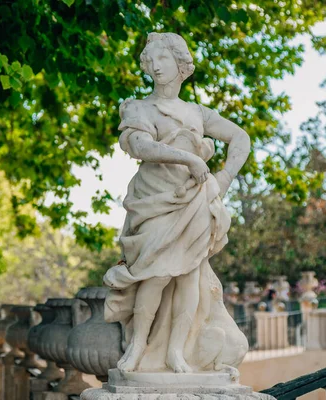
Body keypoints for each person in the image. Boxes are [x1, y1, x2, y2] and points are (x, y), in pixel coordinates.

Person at [103, 32, 251, 373]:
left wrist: (223, 180)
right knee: (154, 275)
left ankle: (176, 351)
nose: (155, 66)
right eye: (150, 60)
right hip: (155, 201)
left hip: (195, 203)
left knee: (188, 277)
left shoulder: (197, 112)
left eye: (163, 58)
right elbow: (140, 146)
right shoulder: (139, 107)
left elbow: (241, 138)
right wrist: (191, 160)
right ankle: (139, 345)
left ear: (180, 64)